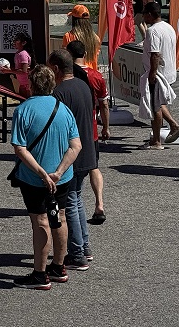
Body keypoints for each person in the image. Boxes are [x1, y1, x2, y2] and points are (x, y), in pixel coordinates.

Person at [11, 65, 81, 290]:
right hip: (62, 177)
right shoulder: (64, 109)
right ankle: (58, 266)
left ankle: (40, 274)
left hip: (34, 178)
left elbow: (20, 149)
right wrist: (58, 172)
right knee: (59, 217)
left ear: (31, 84)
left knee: (40, 221)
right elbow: (75, 145)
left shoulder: (23, 110)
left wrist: (42, 174)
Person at [48, 49, 96, 271]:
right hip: (86, 150)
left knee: (69, 204)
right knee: (77, 199)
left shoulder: (60, 92)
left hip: (70, 154)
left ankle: (77, 252)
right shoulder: (83, 85)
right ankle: (83, 246)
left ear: (56, 68)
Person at [66, 40, 109, 226]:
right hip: (91, 130)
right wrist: (106, 127)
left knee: (73, 177)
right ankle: (99, 203)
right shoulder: (96, 76)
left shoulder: (66, 77)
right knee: (94, 167)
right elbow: (104, 104)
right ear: (85, 53)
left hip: (73, 131)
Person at [140, 2, 179, 149]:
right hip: (169, 71)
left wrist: (152, 73)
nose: (143, 16)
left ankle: (159, 138)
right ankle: (167, 130)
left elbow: (155, 54)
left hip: (159, 73)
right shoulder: (168, 27)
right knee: (159, 103)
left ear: (150, 14)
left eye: (145, 13)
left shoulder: (152, 31)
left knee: (155, 106)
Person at [61, 5, 101, 70]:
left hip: (76, 74)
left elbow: (65, 59)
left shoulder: (68, 36)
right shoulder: (96, 38)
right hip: (91, 75)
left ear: (74, 20)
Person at [0, 32, 34, 96]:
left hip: (27, 85)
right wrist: (8, 68)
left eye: (16, 40)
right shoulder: (18, 53)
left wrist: (8, 71)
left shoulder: (22, 54)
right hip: (23, 84)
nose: (14, 42)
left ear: (24, 43)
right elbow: (19, 68)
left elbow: (24, 71)